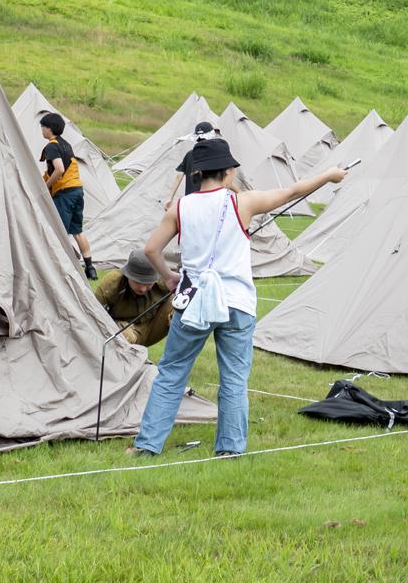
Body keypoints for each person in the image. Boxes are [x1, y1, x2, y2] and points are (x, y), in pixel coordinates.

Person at [129, 138, 345, 458]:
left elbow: (151, 249)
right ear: (228, 172)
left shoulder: (180, 207)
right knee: (233, 379)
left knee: (172, 373)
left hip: (193, 299)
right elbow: (292, 191)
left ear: (198, 174)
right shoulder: (242, 202)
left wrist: (169, 276)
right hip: (237, 302)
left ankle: (147, 446)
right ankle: (229, 450)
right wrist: (328, 175)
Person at [40, 112, 96, 280]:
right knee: (77, 231)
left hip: (64, 193)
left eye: (43, 127)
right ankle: (90, 268)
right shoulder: (66, 145)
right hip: (77, 190)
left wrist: (45, 187)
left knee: (59, 232)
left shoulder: (52, 146)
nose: (42, 130)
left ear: (49, 129)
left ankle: (63, 268)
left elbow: (59, 169)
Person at [94, 249, 174, 347]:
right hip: (122, 331)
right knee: (126, 336)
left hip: (151, 327)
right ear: (128, 275)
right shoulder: (112, 284)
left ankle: (172, 361)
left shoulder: (165, 281)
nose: (143, 289)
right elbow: (94, 317)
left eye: (148, 283)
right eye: (138, 282)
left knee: (178, 305)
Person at [164, 122, 226, 211]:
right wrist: (240, 192)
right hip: (208, 202)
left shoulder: (189, 154)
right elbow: (225, 178)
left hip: (190, 202)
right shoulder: (214, 155)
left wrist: (169, 198)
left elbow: (179, 176)